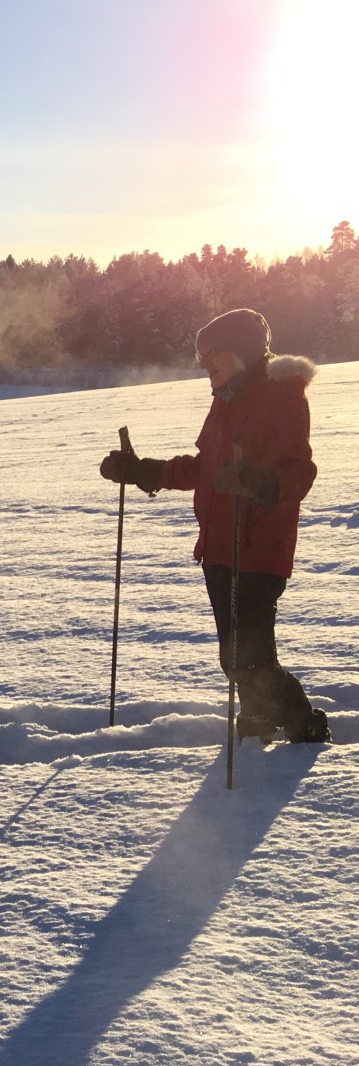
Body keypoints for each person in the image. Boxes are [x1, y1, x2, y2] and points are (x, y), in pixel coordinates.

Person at [100, 308, 328, 744]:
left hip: (258, 548)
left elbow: (300, 473)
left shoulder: (280, 397)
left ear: (239, 354)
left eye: (211, 355)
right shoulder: (226, 401)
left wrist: (258, 481)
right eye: (201, 357)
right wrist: (141, 470)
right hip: (219, 548)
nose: (204, 364)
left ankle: (305, 724)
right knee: (236, 656)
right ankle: (259, 718)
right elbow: (204, 469)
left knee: (248, 657)